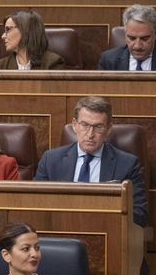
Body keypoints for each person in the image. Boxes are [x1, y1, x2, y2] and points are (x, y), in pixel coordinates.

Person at [34, 96, 147, 226]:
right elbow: (36, 207)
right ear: (75, 125)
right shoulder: (51, 160)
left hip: (106, 232)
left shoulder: (127, 164)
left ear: (108, 129)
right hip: (61, 232)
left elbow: (139, 214)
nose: (90, 134)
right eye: (85, 125)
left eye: (98, 127)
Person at [99, 4, 156, 71]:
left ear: (155, 34)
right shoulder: (108, 60)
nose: (137, 46)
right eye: (132, 38)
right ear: (125, 34)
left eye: (145, 39)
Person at [0, 10, 64, 70]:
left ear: (25, 30)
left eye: (8, 29)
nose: (3, 36)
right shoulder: (1, 66)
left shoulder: (52, 63)